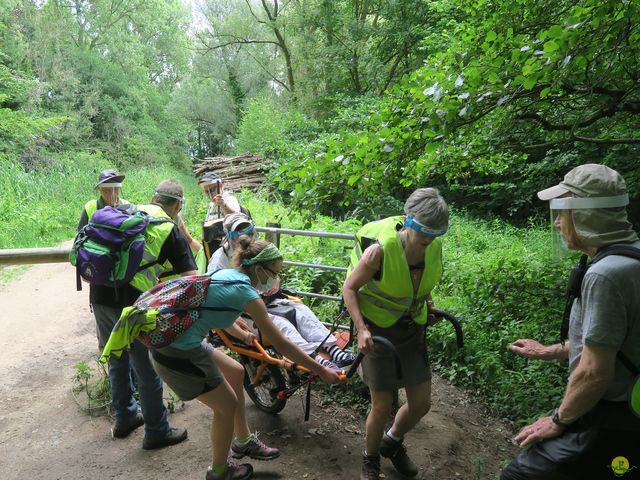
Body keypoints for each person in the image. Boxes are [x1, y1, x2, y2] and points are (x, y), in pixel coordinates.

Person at [149, 240, 342, 480]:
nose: (276, 278)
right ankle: (219, 471)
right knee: (227, 405)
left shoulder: (227, 274)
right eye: (274, 272)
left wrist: (241, 334)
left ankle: (243, 441)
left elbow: (213, 310)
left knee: (236, 371)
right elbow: (281, 344)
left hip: (184, 341)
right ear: (259, 269)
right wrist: (321, 370)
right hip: (176, 353)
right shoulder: (249, 294)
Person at [502, 164, 640, 480]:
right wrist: (549, 350)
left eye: (564, 211)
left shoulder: (605, 275)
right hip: (630, 420)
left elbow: (594, 372)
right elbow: (613, 342)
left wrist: (558, 420)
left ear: (586, 215)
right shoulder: (631, 257)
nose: (556, 222)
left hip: (607, 424)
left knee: (517, 476)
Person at [78, 177, 197, 449]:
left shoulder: (129, 211)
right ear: (178, 205)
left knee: (117, 360)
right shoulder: (169, 228)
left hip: (100, 295)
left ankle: (124, 418)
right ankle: (157, 430)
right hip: (133, 305)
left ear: (154, 198)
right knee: (147, 367)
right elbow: (191, 280)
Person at [343, 188, 449, 480]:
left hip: (411, 327)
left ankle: (392, 441)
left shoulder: (433, 248)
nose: (428, 239)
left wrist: (429, 304)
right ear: (408, 220)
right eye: (423, 231)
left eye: (434, 233)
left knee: (421, 403)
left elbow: (421, 283)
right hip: (376, 330)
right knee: (383, 404)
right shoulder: (380, 251)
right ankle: (370, 457)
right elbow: (349, 289)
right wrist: (361, 329)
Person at [207, 213, 356, 369]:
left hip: (262, 299)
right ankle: (315, 358)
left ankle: (333, 349)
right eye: (238, 231)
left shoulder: (254, 250)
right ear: (229, 235)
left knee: (300, 309)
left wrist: (272, 285)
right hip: (241, 310)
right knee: (281, 324)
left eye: (247, 229)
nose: (243, 235)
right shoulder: (220, 261)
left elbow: (265, 279)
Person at [198, 172, 245, 261]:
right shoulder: (211, 205)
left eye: (212, 190)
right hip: (214, 248)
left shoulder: (229, 199)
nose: (210, 194)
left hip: (229, 248)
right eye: (206, 192)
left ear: (221, 187)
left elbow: (236, 217)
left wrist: (223, 205)